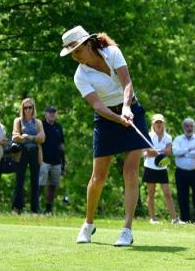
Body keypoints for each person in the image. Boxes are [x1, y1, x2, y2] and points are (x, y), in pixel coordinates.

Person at [60, 25, 149, 246]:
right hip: (107, 119)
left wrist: (127, 108)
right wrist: (118, 118)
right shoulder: (80, 76)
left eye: (78, 51)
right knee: (98, 178)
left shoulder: (112, 53)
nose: (76, 57)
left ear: (88, 44)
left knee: (130, 171)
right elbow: (98, 107)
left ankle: (126, 230)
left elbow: (127, 82)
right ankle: (88, 224)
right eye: (72, 54)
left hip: (132, 110)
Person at [142, 113, 180, 224]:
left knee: (167, 194)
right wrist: (160, 151)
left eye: (160, 122)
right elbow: (146, 152)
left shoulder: (168, 137)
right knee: (151, 193)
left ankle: (174, 219)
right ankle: (152, 218)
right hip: (150, 167)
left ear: (163, 124)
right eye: (156, 122)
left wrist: (154, 151)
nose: (159, 124)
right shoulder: (148, 135)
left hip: (162, 168)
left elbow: (168, 152)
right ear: (153, 124)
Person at [12, 98, 45, 214]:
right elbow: (15, 136)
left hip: (35, 152)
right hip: (22, 153)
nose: (28, 110)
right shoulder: (18, 121)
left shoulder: (38, 122)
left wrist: (28, 137)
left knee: (35, 181)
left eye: (30, 107)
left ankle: (35, 209)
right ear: (22, 109)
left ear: (33, 108)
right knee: (19, 180)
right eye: (25, 107)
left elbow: (42, 138)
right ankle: (17, 208)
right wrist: (25, 137)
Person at [172, 117, 195, 224]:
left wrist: (183, 154)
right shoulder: (178, 139)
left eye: (191, 126)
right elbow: (175, 152)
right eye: (187, 126)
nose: (189, 128)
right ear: (183, 127)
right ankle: (185, 220)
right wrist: (189, 149)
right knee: (182, 197)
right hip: (181, 172)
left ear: (194, 127)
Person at [40, 105, 65, 214]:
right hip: (44, 160)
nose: (52, 114)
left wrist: (63, 162)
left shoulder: (58, 127)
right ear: (45, 113)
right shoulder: (41, 125)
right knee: (40, 185)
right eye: (50, 112)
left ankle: (48, 209)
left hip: (56, 161)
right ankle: (36, 207)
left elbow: (62, 145)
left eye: (54, 112)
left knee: (53, 186)